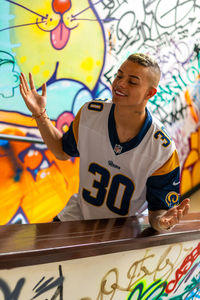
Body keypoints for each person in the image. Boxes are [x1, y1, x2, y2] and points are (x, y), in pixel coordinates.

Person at [19, 53, 190, 232]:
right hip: (78, 215)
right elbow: (62, 151)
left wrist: (162, 222)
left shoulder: (162, 150)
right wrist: (40, 113)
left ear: (150, 93)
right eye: (119, 75)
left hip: (121, 231)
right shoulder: (90, 113)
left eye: (132, 81)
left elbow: (158, 212)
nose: (120, 83)